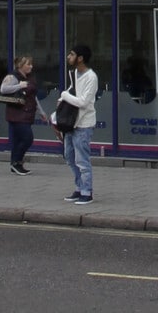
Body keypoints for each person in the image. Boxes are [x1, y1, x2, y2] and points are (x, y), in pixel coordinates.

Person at [55, 42, 97, 202]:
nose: (68, 57)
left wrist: (64, 96)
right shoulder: (74, 74)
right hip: (70, 122)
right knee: (69, 156)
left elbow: (83, 102)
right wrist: (62, 98)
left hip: (84, 124)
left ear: (80, 58)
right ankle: (79, 187)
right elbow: (72, 91)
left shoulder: (91, 77)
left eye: (71, 54)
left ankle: (87, 192)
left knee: (82, 159)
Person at [0, 55, 44, 175]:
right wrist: (20, 85)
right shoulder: (12, 76)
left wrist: (41, 112)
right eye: (28, 64)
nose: (31, 66)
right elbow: (3, 89)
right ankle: (16, 162)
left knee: (18, 140)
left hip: (28, 113)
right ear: (20, 65)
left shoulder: (30, 77)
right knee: (27, 138)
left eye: (31, 64)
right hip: (16, 113)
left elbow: (33, 97)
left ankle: (16, 165)